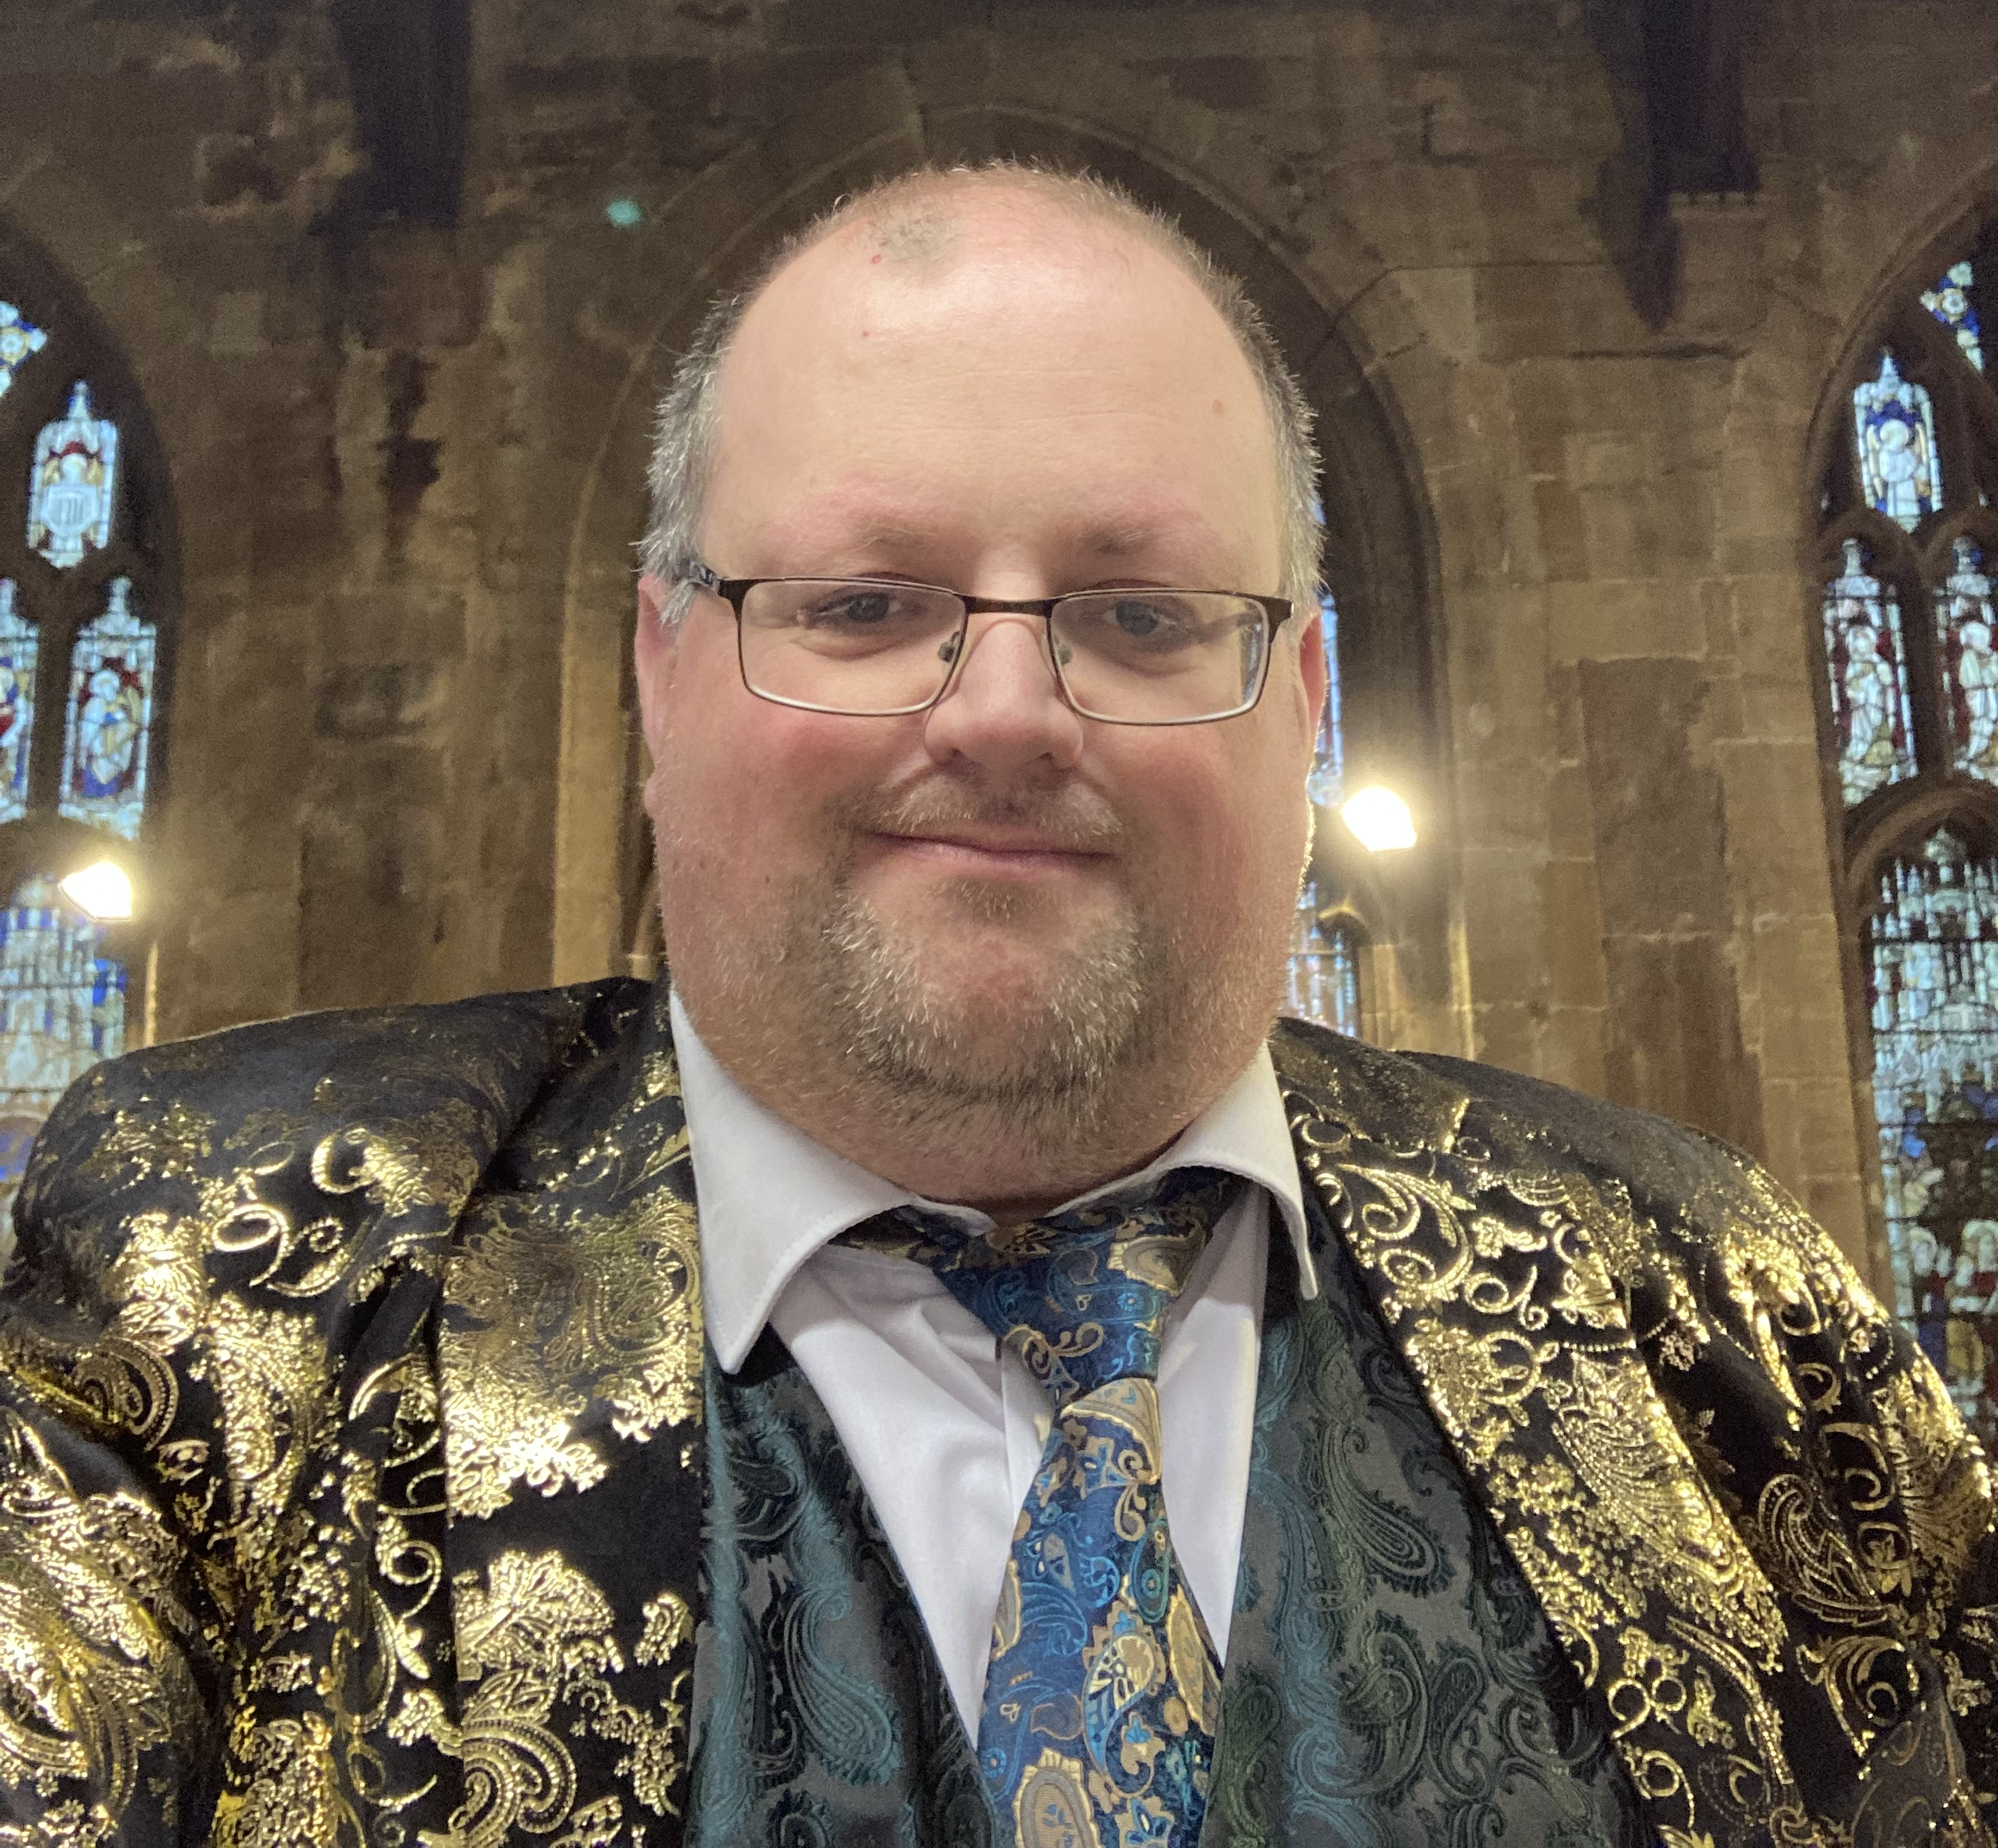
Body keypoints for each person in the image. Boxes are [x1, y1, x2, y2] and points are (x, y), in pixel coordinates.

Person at [0, 162, 1994, 1848]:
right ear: (660, 672)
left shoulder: (1712, 1311)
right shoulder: (215, 1289)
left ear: (1299, 703)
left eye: (1138, 612)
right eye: (863, 603)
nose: (1007, 711)